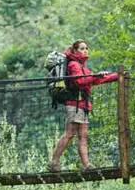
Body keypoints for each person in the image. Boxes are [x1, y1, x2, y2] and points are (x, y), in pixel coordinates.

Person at [48, 40, 119, 172]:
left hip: (82, 105)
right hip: (74, 104)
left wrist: (117, 76)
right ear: (75, 51)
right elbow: (80, 81)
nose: (85, 50)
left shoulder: (83, 67)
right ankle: (54, 162)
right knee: (69, 134)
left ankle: (86, 165)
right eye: (82, 48)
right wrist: (94, 75)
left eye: (86, 48)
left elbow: (95, 80)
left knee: (83, 136)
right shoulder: (74, 65)